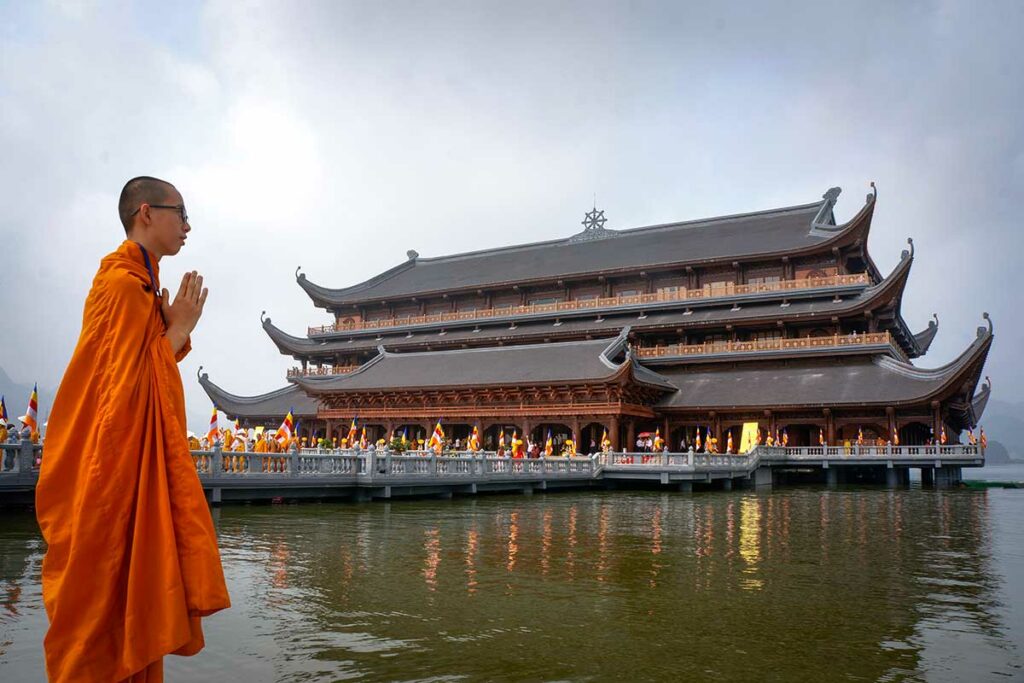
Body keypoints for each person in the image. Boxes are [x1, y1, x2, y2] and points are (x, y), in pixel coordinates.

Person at [35, 176, 230, 682]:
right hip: (110, 481)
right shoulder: (122, 286)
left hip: (123, 470)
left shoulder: (139, 284)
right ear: (146, 212)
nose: (187, 226)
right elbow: (123, 394)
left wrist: (168, 331)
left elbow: (139, 370)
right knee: (103, 617)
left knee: (129, 619)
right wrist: (179, 330)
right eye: (180, 213)